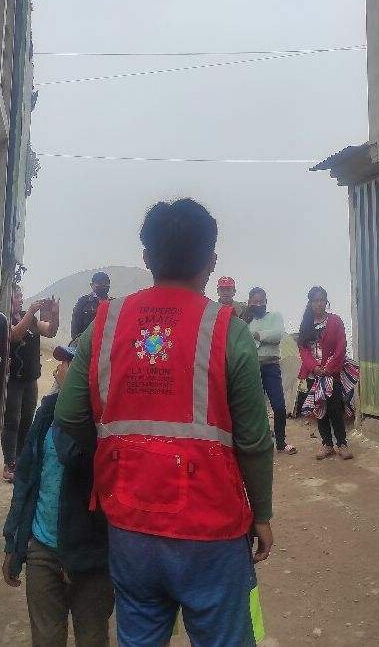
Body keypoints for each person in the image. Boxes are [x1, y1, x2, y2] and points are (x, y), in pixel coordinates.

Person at [54, 198, 274, 646]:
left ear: (147, 257)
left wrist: (118, 455)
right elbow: (254, 440)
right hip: (213, 528)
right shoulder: (226, 327)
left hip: (130, 524)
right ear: (211, 261)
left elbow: (69, 413)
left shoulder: (106, 322)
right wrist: (263, 514)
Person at [2, 345, 113, 646]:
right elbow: (26, 478)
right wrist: (13, 541)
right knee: (46, 639)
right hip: (42, 550)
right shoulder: (46, 412)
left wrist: (70, 408)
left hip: (90, 559)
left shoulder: (106, 424)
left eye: (69, 363)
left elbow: (72, 456)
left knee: (92, 639)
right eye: (62, 361)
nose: (59, 368)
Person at [3, 288, 59, 482]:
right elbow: (15, 335)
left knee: (27, 419)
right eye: (15, 297)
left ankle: (20, 458)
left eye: (19, 296)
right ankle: (9, 463)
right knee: (12, 421)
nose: (18, 300)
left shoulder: (31, 320)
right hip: (14, 380)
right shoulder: (6, 319)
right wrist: (31, 312)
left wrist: (55, 313)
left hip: (30, 378)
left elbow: (50, 332)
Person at [296, 286, 352, 460]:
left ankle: (342, 443)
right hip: (314, 375)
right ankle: (327, 444)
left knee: (335, 408)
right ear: (310, 303)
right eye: (315, 300)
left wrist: (329, 367)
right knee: (320, 409)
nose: (318, 303)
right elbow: (303, 350)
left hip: (331, 374)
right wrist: (314, 367)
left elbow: (341, 346)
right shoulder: (306, 325)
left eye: (321, 300)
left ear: (326, 301)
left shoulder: (335, 321)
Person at [246, 287, 296, 454]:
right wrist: (263, 337)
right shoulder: (246, 322)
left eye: (261, 301)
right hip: (252, 369)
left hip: (271, 367)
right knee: (256, 408)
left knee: (279, 407)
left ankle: (281, 443)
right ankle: (262, 443)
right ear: (249, 303)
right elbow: (247, 344)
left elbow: (277, 335)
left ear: (266, 302)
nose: (258, 304)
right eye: (255, 302)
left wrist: (257, 336)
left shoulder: (275, 317)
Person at [71, 271, 111, 340]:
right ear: (92, 285)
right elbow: (75, 327)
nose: (103, 285)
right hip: (86, 344)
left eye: (106, 283)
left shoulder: (113, 303)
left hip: (106, 344)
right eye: (99, 283)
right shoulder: (83, 301)